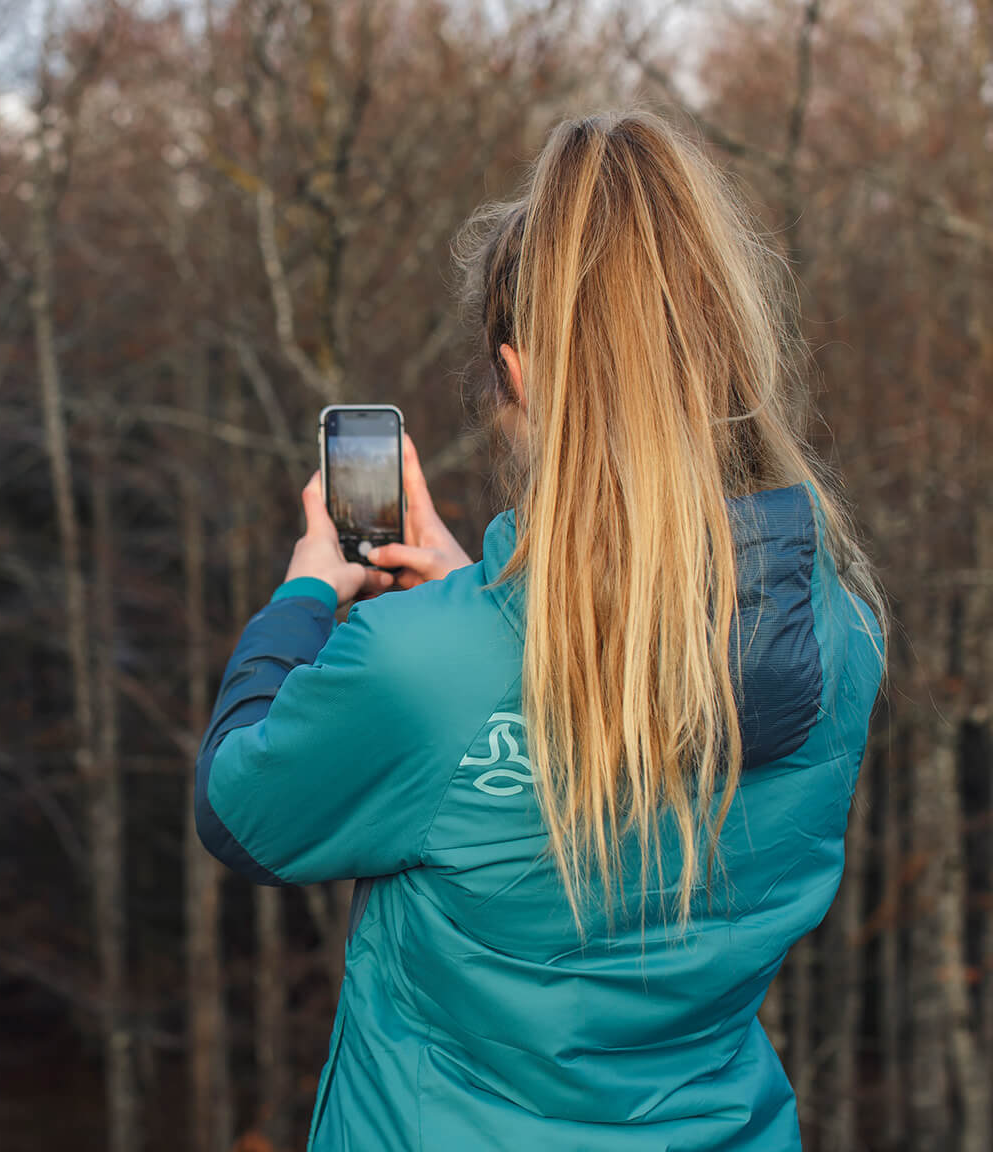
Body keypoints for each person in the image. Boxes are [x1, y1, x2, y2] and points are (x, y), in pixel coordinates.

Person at [195, 110, 886, 1151]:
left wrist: (305, 598)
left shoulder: (422, 669)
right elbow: (647, 720)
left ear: (516, 373)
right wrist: (482, 598)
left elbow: (241, 810)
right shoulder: (841, 633)